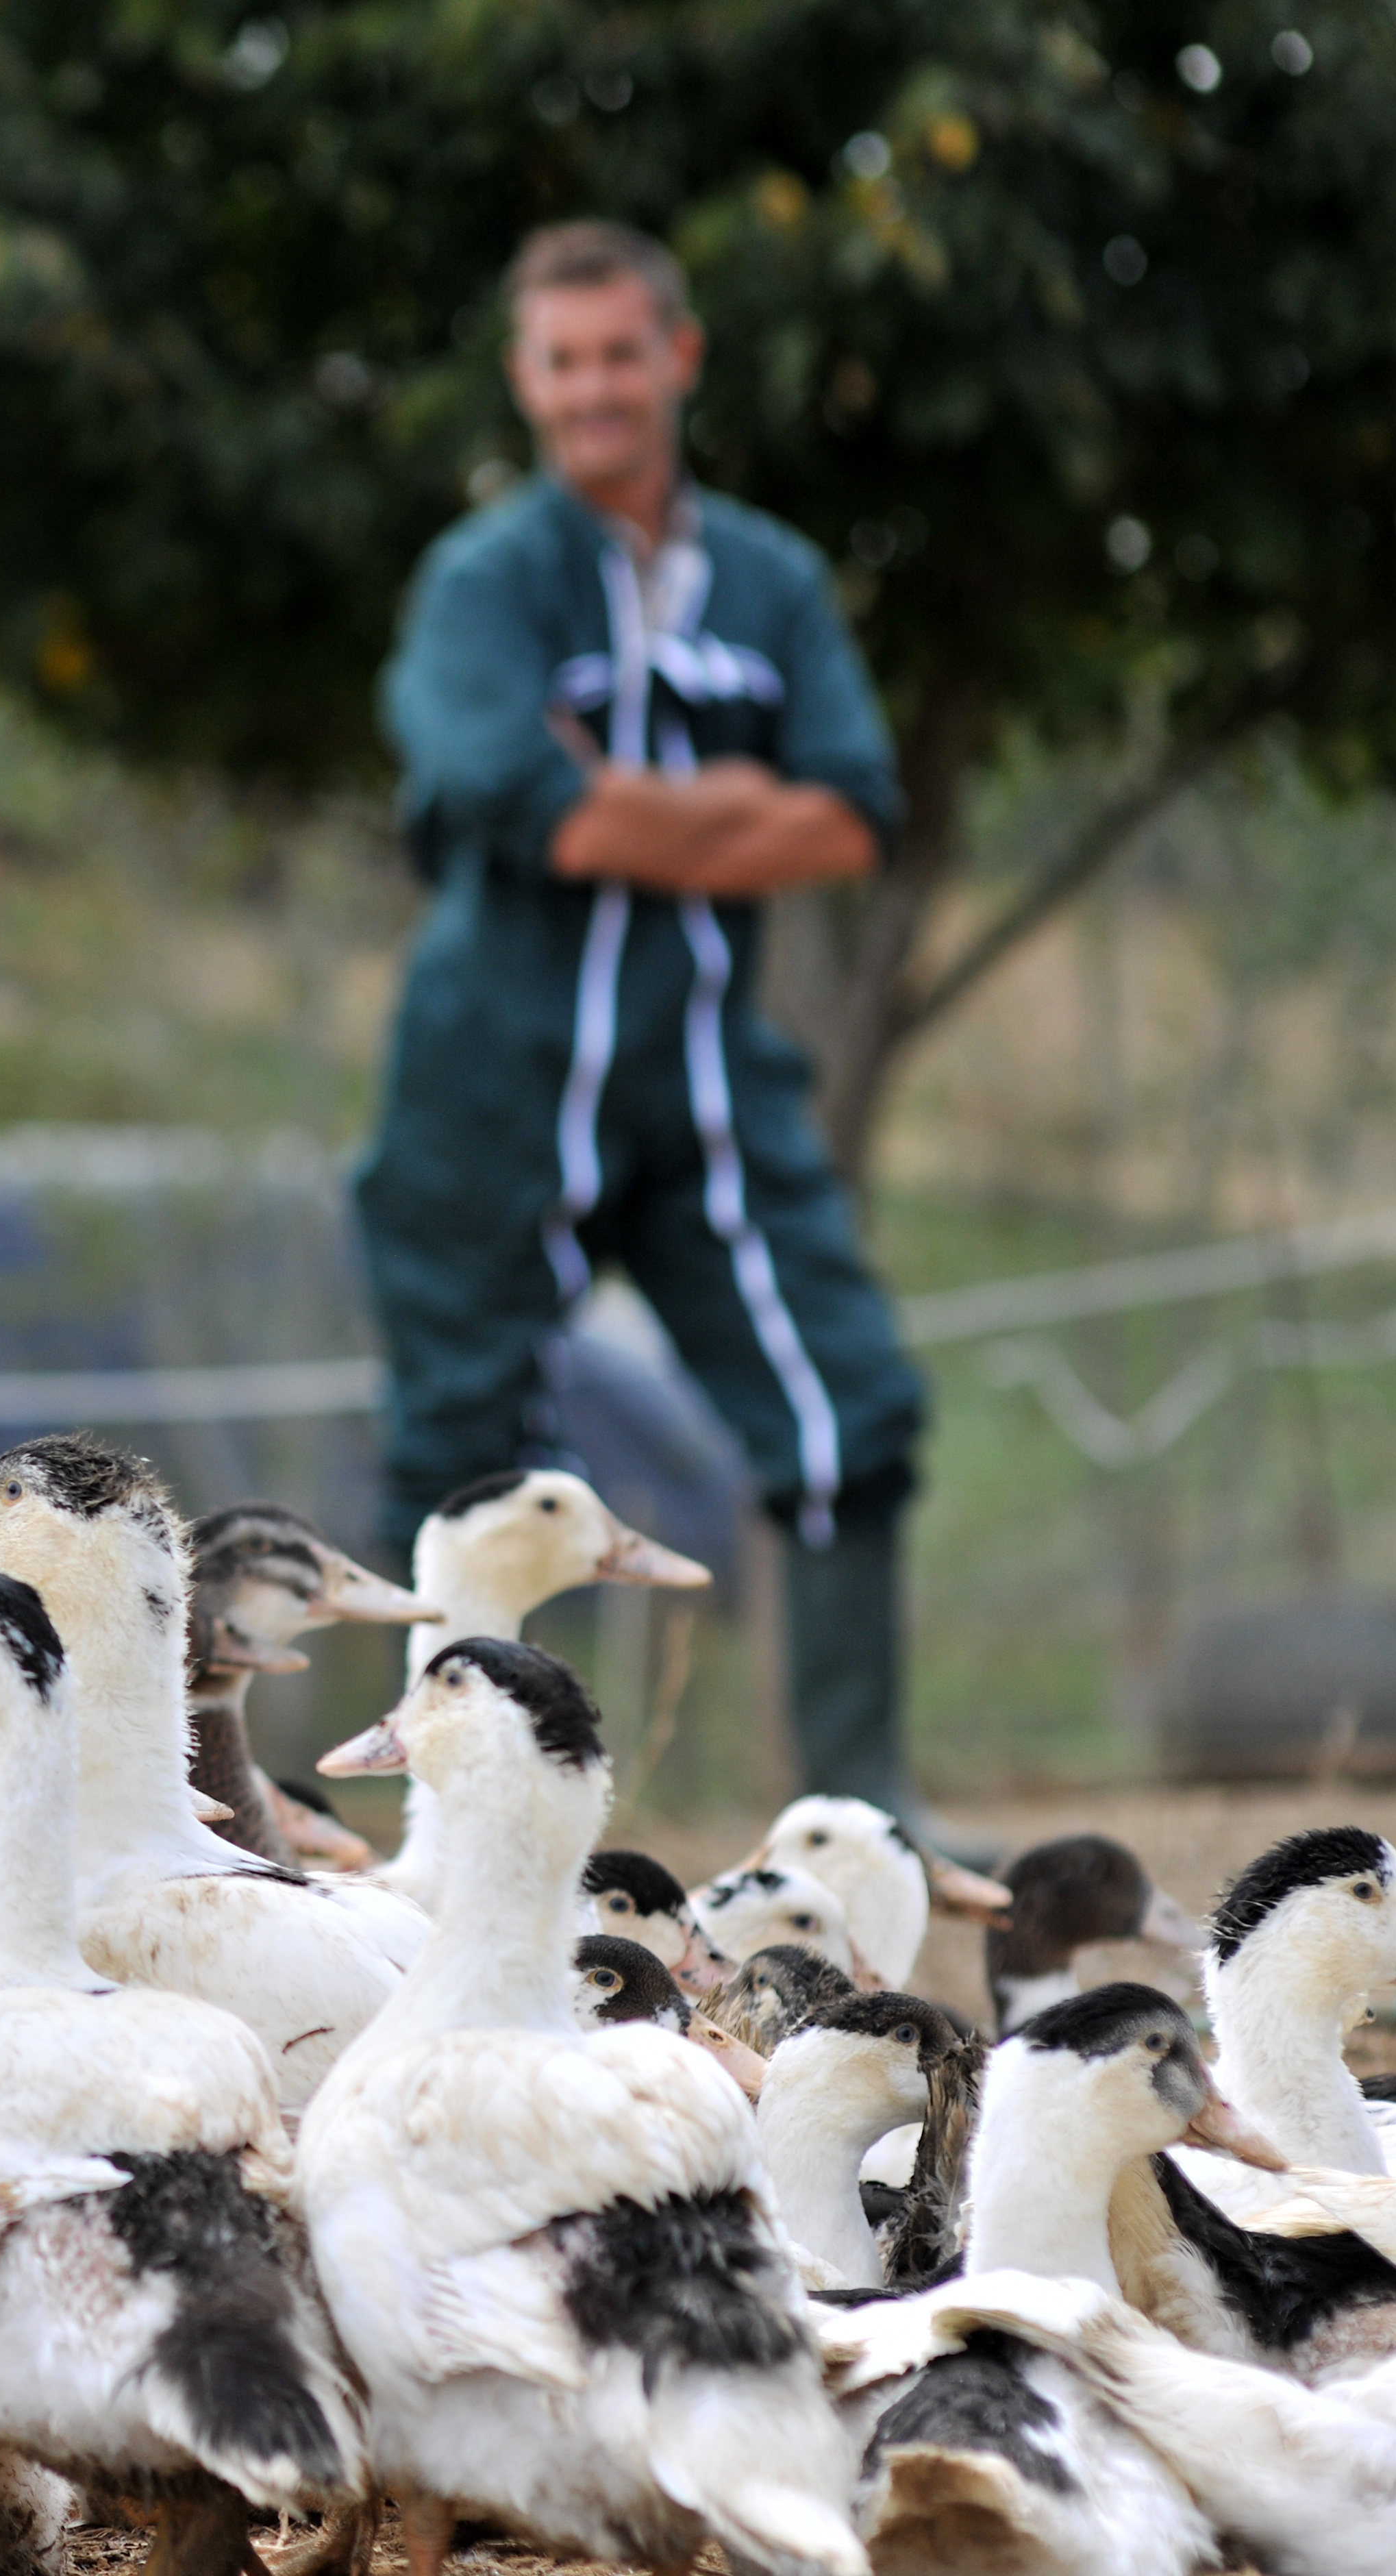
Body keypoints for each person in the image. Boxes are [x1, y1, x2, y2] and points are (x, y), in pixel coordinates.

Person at [355, 219, 930, 1816]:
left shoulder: (773, 580)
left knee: (847, 1410)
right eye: (563, 360)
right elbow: (540, 818)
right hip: (491, 1085)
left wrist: (628, 793)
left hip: (709, 1087)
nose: (595, 388)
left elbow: (849, 820)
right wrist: (733, 796)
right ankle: (450, 1823)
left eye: (623, 353)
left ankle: (864, 1808)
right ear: (527, 380)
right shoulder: (484, 582)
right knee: (462, 1462)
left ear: (677, 357)